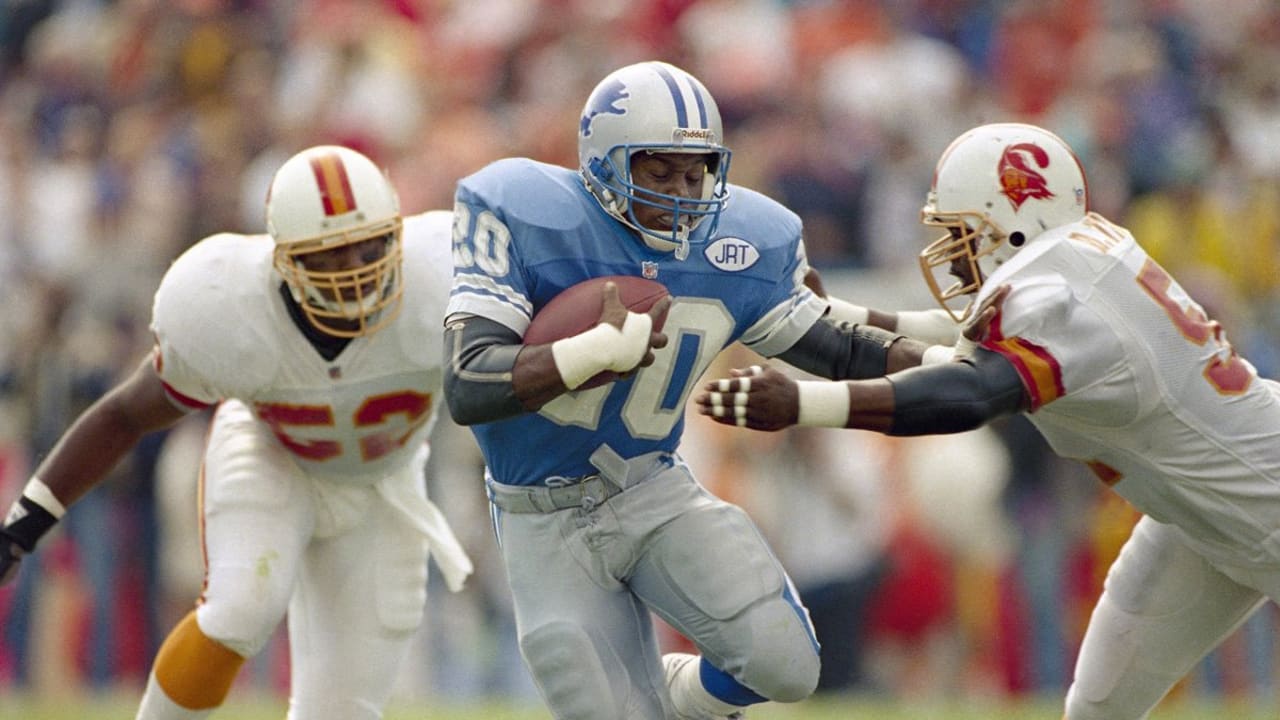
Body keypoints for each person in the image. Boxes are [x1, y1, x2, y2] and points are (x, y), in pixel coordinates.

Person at [695, 122, 1280, 720]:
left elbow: (967, 394)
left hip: (1264, 493)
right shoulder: (1072, 264)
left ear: (1016, 218)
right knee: (1098, 708)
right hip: (1194, 512)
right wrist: (825, 315)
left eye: (963, 233)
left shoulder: (1059, 298)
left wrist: (803, 404)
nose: (955, 252)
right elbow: (944, 349)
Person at [441, 60, 954, 720]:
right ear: (603, 165)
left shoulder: (740, 239)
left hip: (653, 487)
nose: (684, 191)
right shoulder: (527, 213)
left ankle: (681, 703)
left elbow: (837, 346)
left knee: (785, 664)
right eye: (659, 170)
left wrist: (945, 362)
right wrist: (590, 351)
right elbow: (468, 382)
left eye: (697, 170)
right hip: (541, 515)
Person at [0, 145, 473, 719]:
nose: (355, 272)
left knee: (345, 708)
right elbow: (124, 414)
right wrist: (22, 528)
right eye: (330, 256)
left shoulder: (446, 276)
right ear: (283, 261)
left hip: (383, 481)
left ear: (396, 233)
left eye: (369, 247)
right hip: (272, 453)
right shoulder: (229, 305)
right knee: (241, 608)